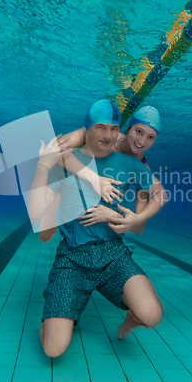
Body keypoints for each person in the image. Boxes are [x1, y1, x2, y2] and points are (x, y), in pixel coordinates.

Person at [28, 100, 167, 357]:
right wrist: (88, 179)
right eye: (138, 132)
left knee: (151, 315)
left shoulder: (136, 165)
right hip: (73, 256)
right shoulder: (73, 156)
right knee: (53, 349)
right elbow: (61, 152)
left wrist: (132, 219)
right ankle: (59, 316)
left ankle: (129, 320)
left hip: (112, 253)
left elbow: (150, 207)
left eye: (150, 137)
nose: (107, 135)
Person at [38, 105, 162, 242]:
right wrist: (94, 178)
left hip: (91, 210)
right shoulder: (106, 135)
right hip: (70, 179)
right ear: (128, 128)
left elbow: (138, 228)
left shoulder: (141, 170)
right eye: (139, 131)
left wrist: (117, 216)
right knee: (44, 235)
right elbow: (53, 151)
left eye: (151, 137)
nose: (142, 141)